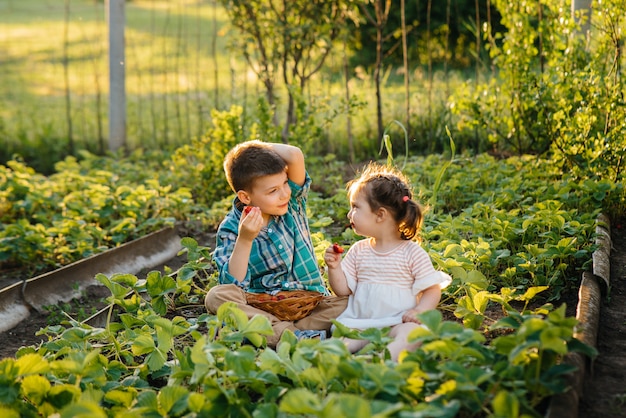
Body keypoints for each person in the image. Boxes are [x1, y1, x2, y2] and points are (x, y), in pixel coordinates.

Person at [205, 140, 348, 348]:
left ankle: (281, 334)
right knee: (216, 297)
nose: (284, 193)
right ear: (245, 197)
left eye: (284, 183)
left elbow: (294, 154)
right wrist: (245, 238)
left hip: (311, 307)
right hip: (264, 310)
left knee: (352, 301)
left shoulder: (292, 205)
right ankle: (294, 335)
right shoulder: (232, 227)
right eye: (273, 191)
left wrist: (250, 147)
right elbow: (232, 284)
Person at [324, 162, 451, 361]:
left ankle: (381, 359)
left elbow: (431, 289)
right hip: (361, 324)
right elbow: (343, 290)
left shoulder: (412, 253)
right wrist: (334, 267)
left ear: (380, 215)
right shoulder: (359, 250)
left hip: (396, 322)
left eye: (356, 207)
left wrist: (419, 310)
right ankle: (338, 357)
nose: (350, 214)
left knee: (411, 333)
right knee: (340, 340)